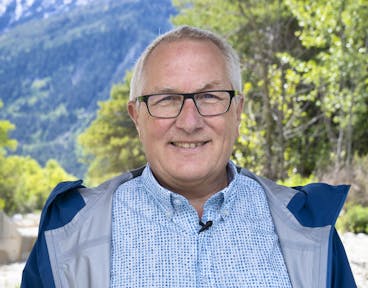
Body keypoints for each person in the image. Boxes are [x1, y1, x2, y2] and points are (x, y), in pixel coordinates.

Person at [21, 25, 356, 287]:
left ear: (237, 112)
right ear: (136, 116)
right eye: (166, 99)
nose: (189, 121)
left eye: (209, 96)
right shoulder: (66, 233)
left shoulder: (310, 228)